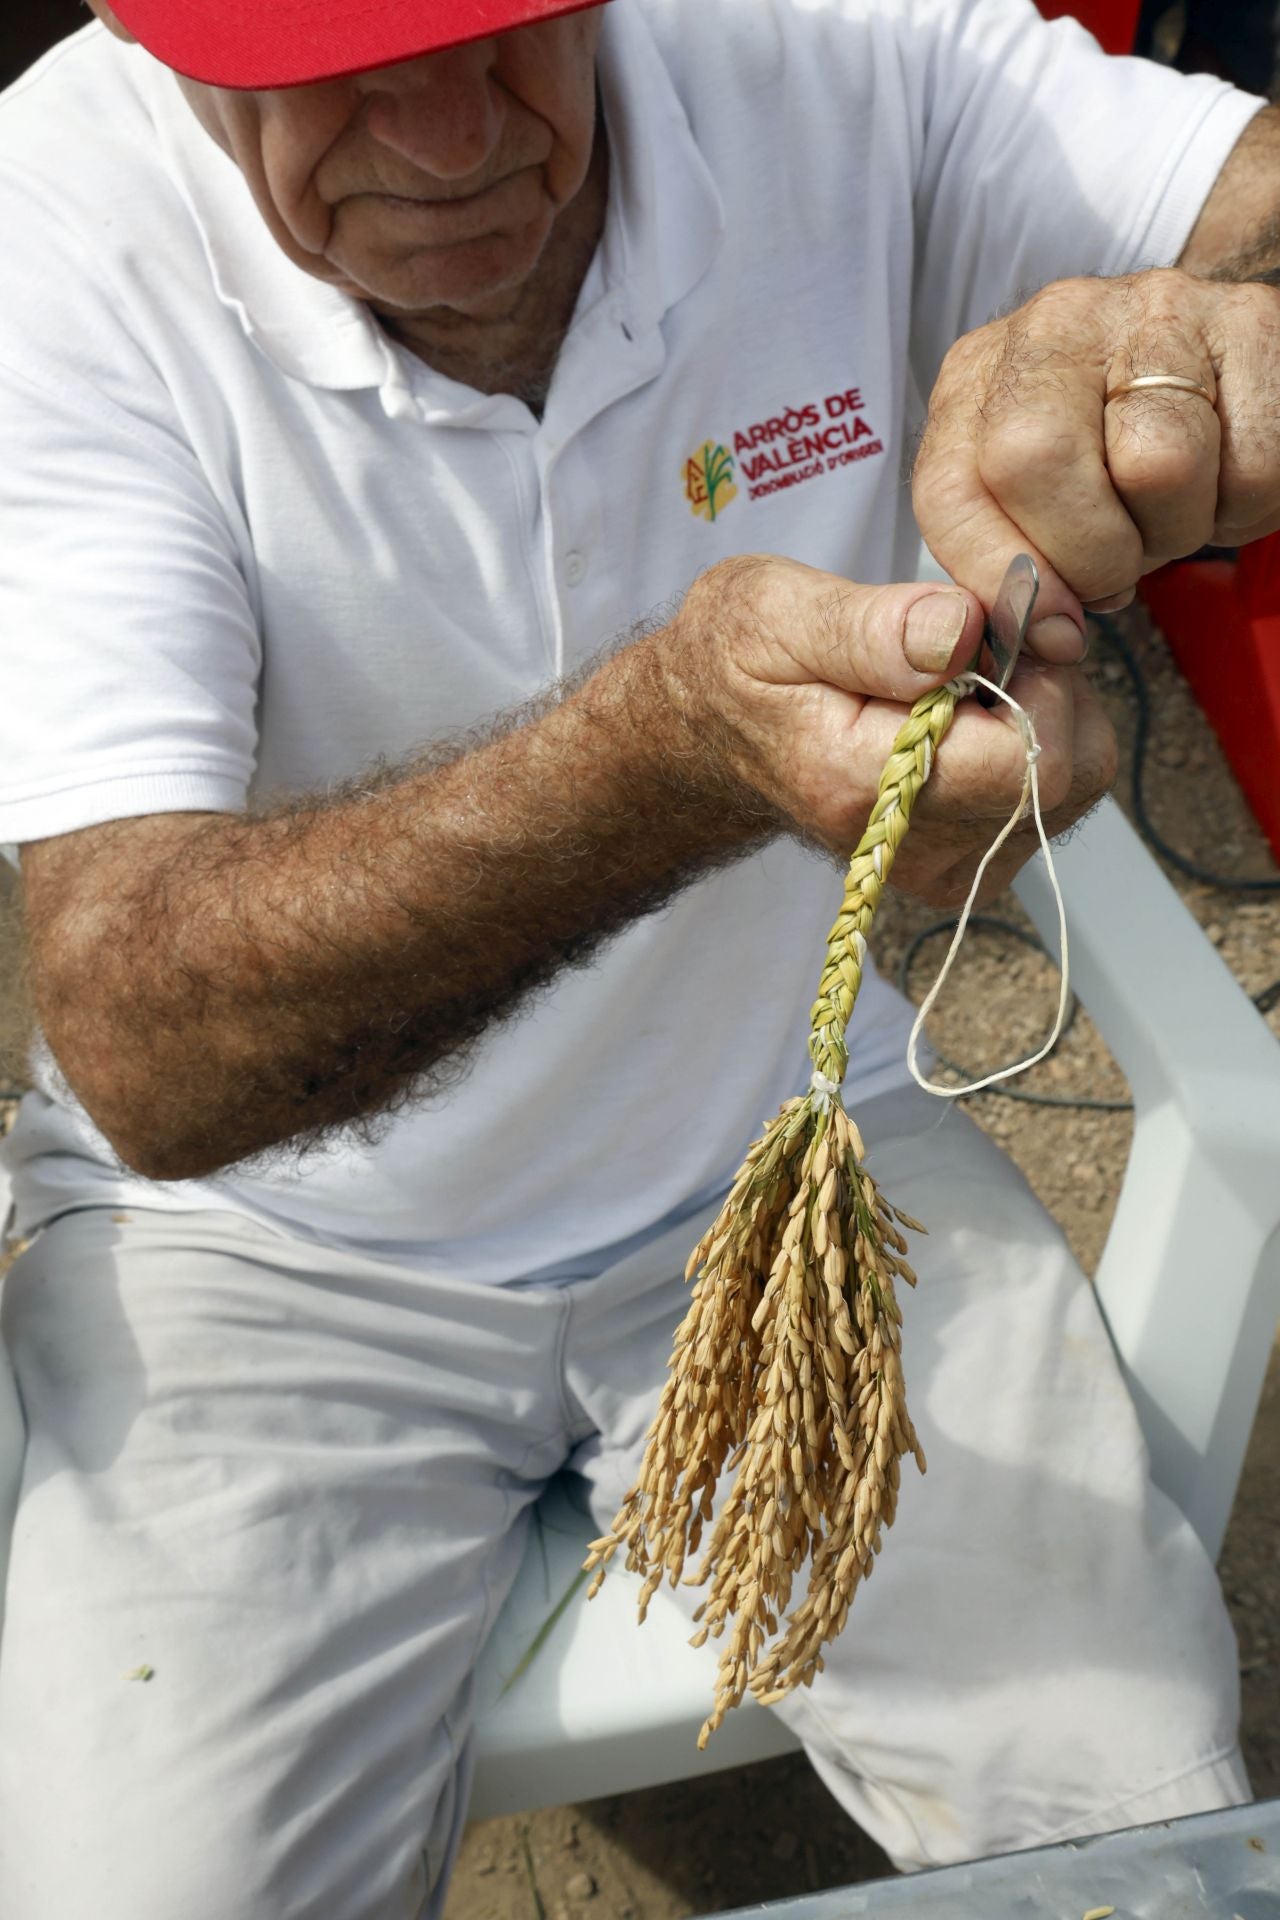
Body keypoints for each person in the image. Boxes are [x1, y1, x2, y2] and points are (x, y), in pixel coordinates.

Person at [0, 1, 1276, 1913]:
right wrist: (670, 748)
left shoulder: (832, 52)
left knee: (1140, 1852)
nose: (446, 139)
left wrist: (1211, 338)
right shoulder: (50, 240)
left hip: (780, 1142)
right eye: (319, 61)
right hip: (265, 1258)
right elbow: (145, 1041)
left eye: (510, 25)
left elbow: (1253, 207)